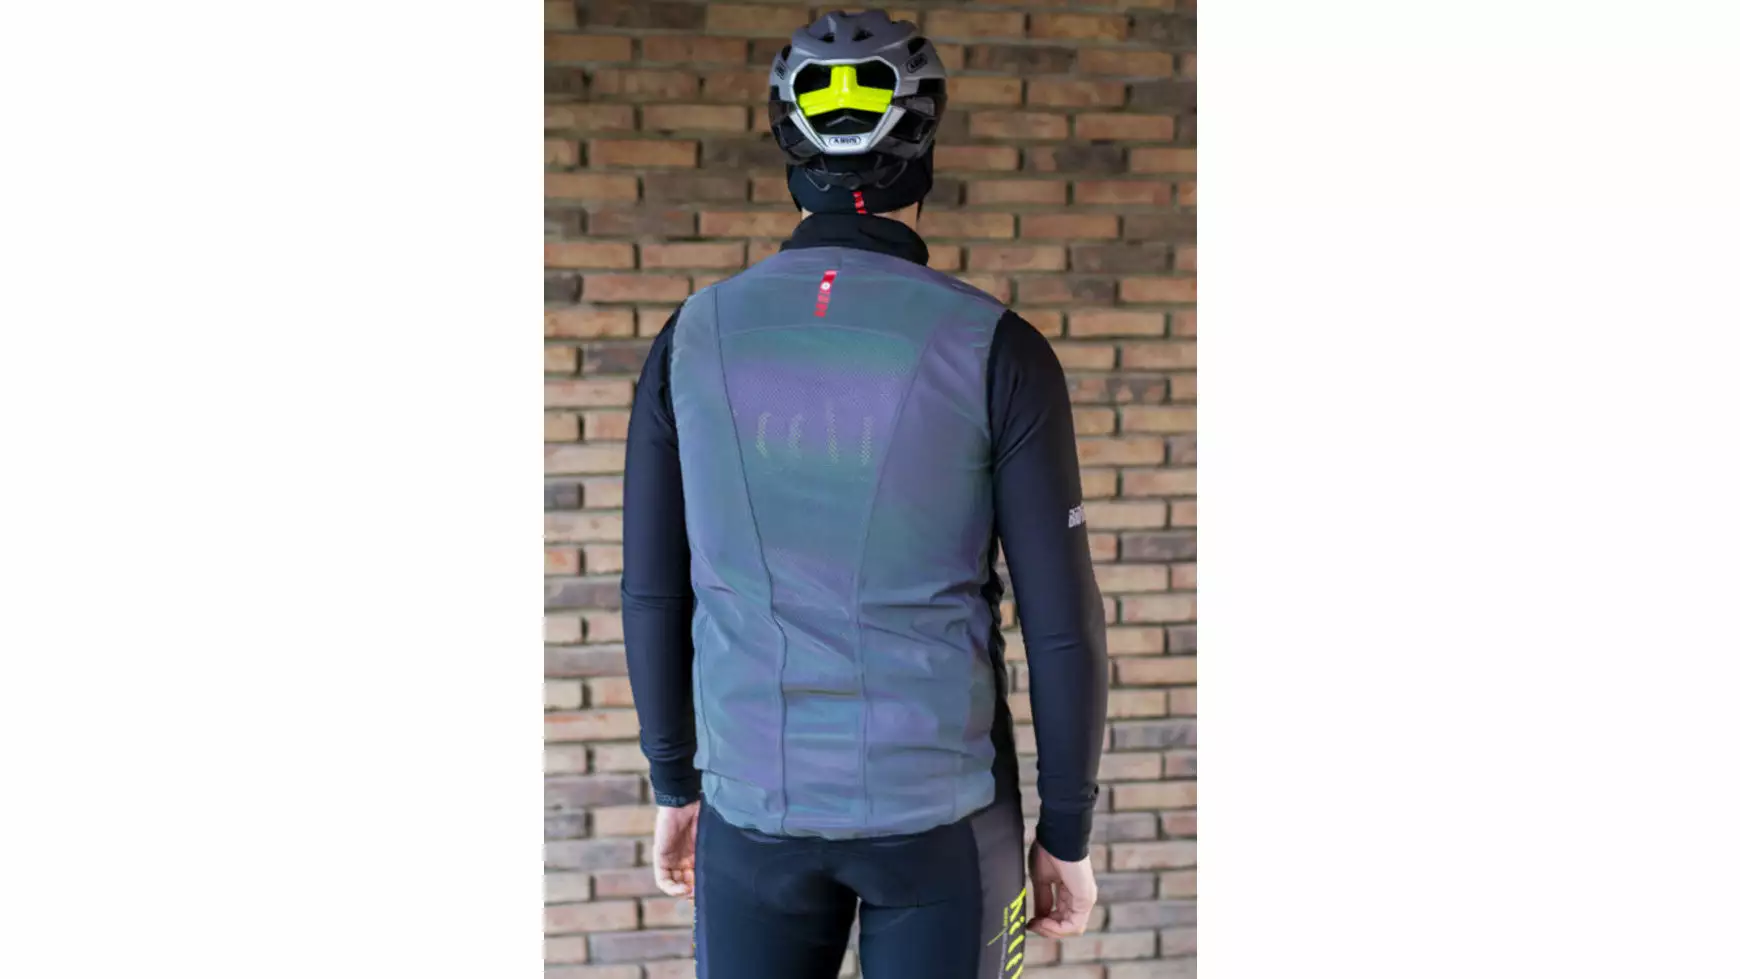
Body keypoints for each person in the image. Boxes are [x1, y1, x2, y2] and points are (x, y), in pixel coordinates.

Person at [621, 10, 1110, 978]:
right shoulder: (998, 346)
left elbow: (651, 589)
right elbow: (1063, 624)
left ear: (788, 151)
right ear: (923, 154)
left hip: (750, 806)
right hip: (943, 818)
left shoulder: (691, 337)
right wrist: (1067, 833)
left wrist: (674, 781)